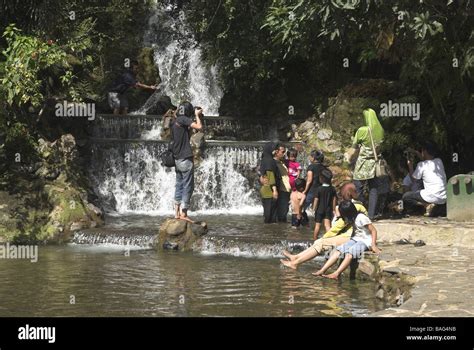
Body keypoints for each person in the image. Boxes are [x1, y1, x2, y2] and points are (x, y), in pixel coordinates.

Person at [281, 183, 368, 270]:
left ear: (347, 194)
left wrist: (325, 237)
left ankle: (295, 263)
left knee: (321, 243)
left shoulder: (352, 207)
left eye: (342, 195)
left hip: (351, 237)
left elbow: (339, 226)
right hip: (349, 235)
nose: (340, 197)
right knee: (319, 242)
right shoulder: (357, 205)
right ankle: (296, 257)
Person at [313, 200, 381, 279]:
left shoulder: (361, 218)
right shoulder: (351, 218)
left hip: (365, 241)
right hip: (355, 239)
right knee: (338, 251)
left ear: (348, 213)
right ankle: (322, 270)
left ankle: (336, 273)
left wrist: (373, 245)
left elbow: (373, 230)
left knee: (350, 253)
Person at [349, 108, 385, 219]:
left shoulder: (363, 130)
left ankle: (360, 211)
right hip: (375, 163)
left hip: (363, 163)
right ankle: (371, 214)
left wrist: (349, 159)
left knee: (358, 185)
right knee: (373, 188)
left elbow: (354, 146)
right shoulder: (381, 130)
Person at [171, 102, 203, 221]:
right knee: (188, 186)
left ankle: (176, 213)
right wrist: (197, 116)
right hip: (185, 158)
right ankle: (184, 214)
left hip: (177, 159)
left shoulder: (175, 121)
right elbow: (199, 128)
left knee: (179, 185)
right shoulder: (184, 119)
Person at [403, 141, 447, 216]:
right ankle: (433, 206)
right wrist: (416, 152)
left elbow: (413, 180)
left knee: (406, 196)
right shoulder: (439, 161)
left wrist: (410, 166)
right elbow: (426, 160)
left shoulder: (421, 165)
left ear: (425, 151)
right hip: (443, 198)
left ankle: (426, 205)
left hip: (431, 196)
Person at [312, 169, 336, 240]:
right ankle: (330, 239)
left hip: (319, 209)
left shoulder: (319, 189)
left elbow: (316, 200)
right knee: (327, 225)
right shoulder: (332, 189)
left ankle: (315, 239)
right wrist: (334, 209)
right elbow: (334, 199)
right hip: (328, 209)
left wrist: (314, 209)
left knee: (317, 226)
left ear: (321, 179)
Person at [259, 142, 280, 223]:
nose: (276, 152)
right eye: (275, 150)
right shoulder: (269, 161)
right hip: (269, 191)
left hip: (265, 190)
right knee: (270, 214)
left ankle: (267, 231)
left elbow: (262, 174)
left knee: (268, 212)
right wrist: (274, 190)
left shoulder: (264, 159)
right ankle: (268, 230)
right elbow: (270, 176)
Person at [274, 144, 291, 222]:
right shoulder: (273, 163)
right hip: (282, 189)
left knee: (285, 210)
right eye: (283, 152)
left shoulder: (283, 162)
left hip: (287, 189)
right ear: (277, 152)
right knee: (282, 212)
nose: (284, 154)